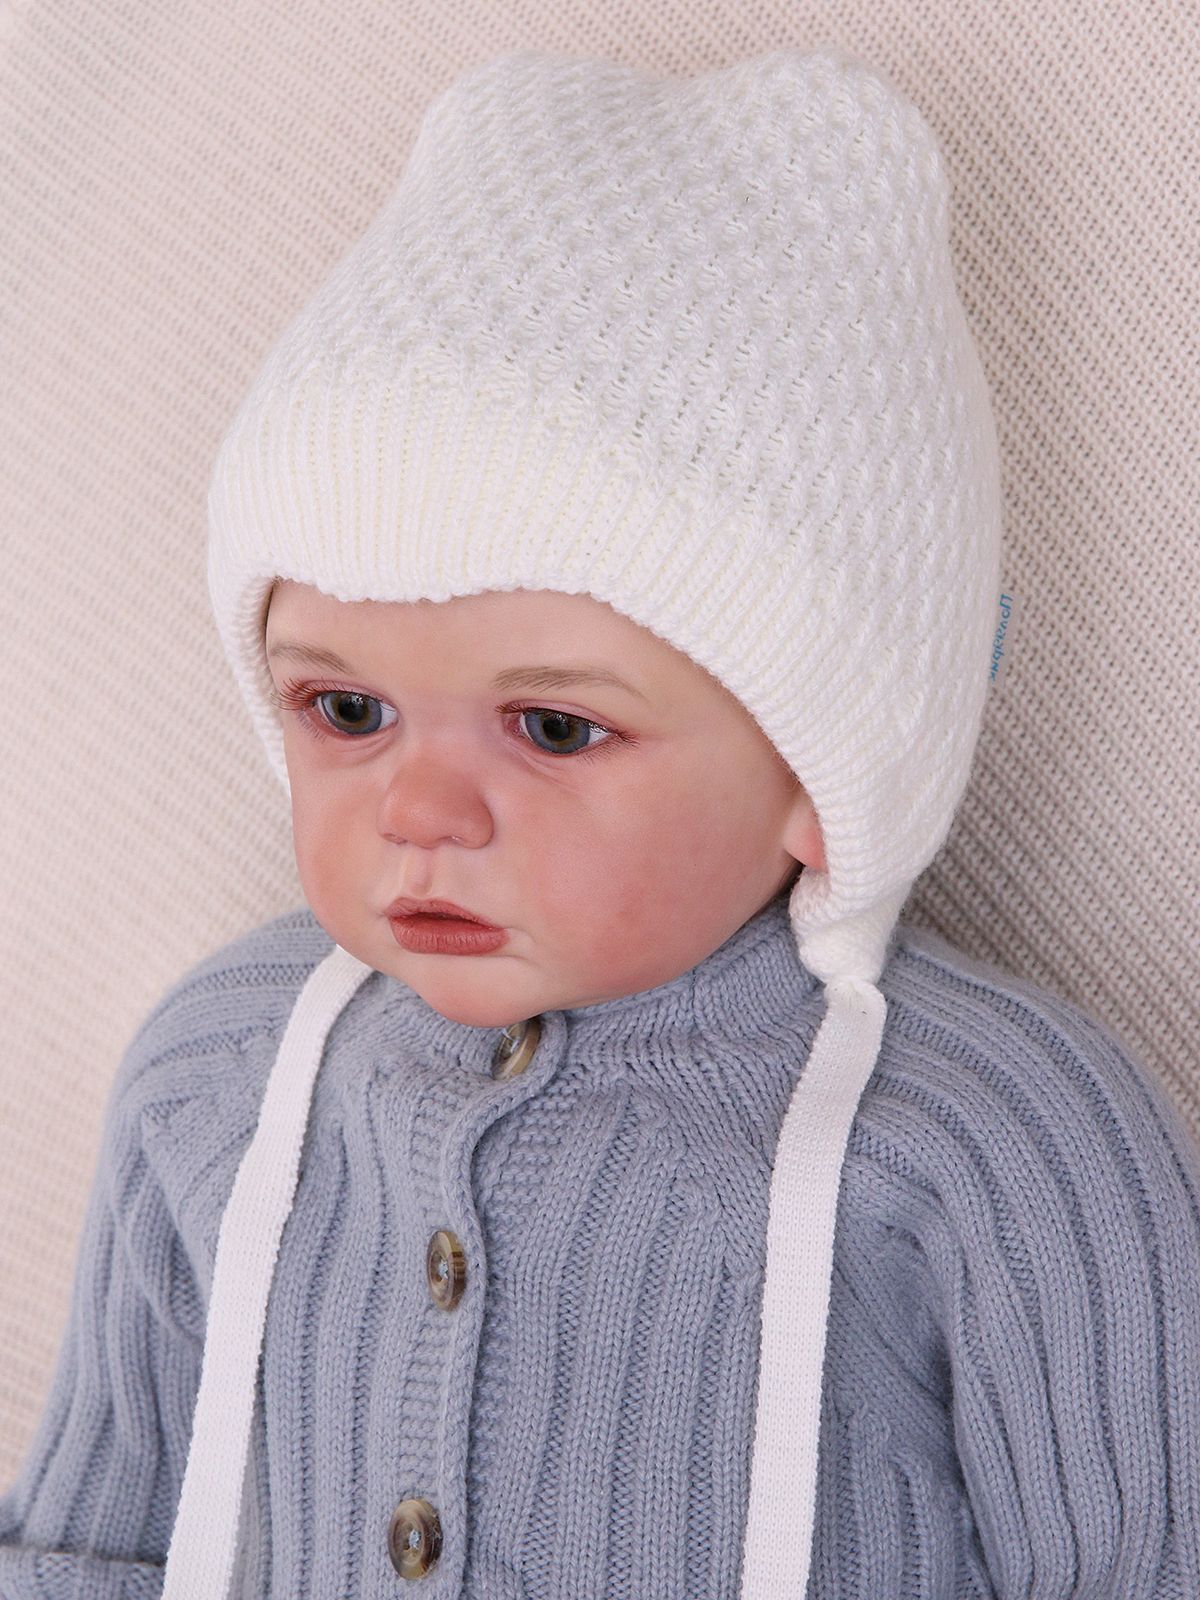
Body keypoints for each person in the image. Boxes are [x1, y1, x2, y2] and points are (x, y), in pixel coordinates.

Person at [3, 43, 1199, 1600]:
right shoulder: (216, 1074)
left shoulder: (999, 1139)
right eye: (345, 710)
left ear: (824, 767)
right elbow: (89, 1544)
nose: (419, 809)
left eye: (557, 727)